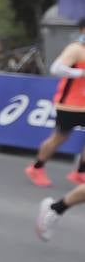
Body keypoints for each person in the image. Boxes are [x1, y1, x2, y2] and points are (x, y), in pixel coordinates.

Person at [25, 16, 85, 188]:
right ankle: (36, 168)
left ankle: (80, 172)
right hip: (70, 104)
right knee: (60, 137)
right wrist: (80, 74)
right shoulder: (76, 49)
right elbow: (56, 68)